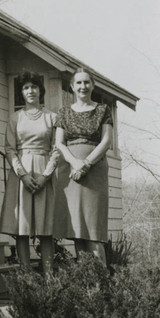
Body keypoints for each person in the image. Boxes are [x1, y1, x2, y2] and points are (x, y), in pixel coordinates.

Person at [0, 71, 59, 274]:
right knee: (22, 228)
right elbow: (9, 148)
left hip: (44, 170)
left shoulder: (52, 117)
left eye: (34, 87)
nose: (30, 91)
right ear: (21, 92)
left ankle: (49, 278)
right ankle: (26, 277)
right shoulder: (15, 118)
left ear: (40, 91)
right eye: (26, 87)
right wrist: (22, 174)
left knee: (46, 229)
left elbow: (57, 149)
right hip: (21, 172)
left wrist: (45, 175)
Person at [54, 68, 113, 266]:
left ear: (93, 85)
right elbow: (60, 143)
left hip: (94, 171)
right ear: (72, 86)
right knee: (77, 231)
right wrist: (74, 162)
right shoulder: (63, 112)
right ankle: (87, 285)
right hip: (70, 173)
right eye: (78, 83)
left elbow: (106, 142)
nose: (83, 87)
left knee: (93, 231)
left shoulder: (103, 110)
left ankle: (103, 285)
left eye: (87, 82)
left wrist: (86, 164)